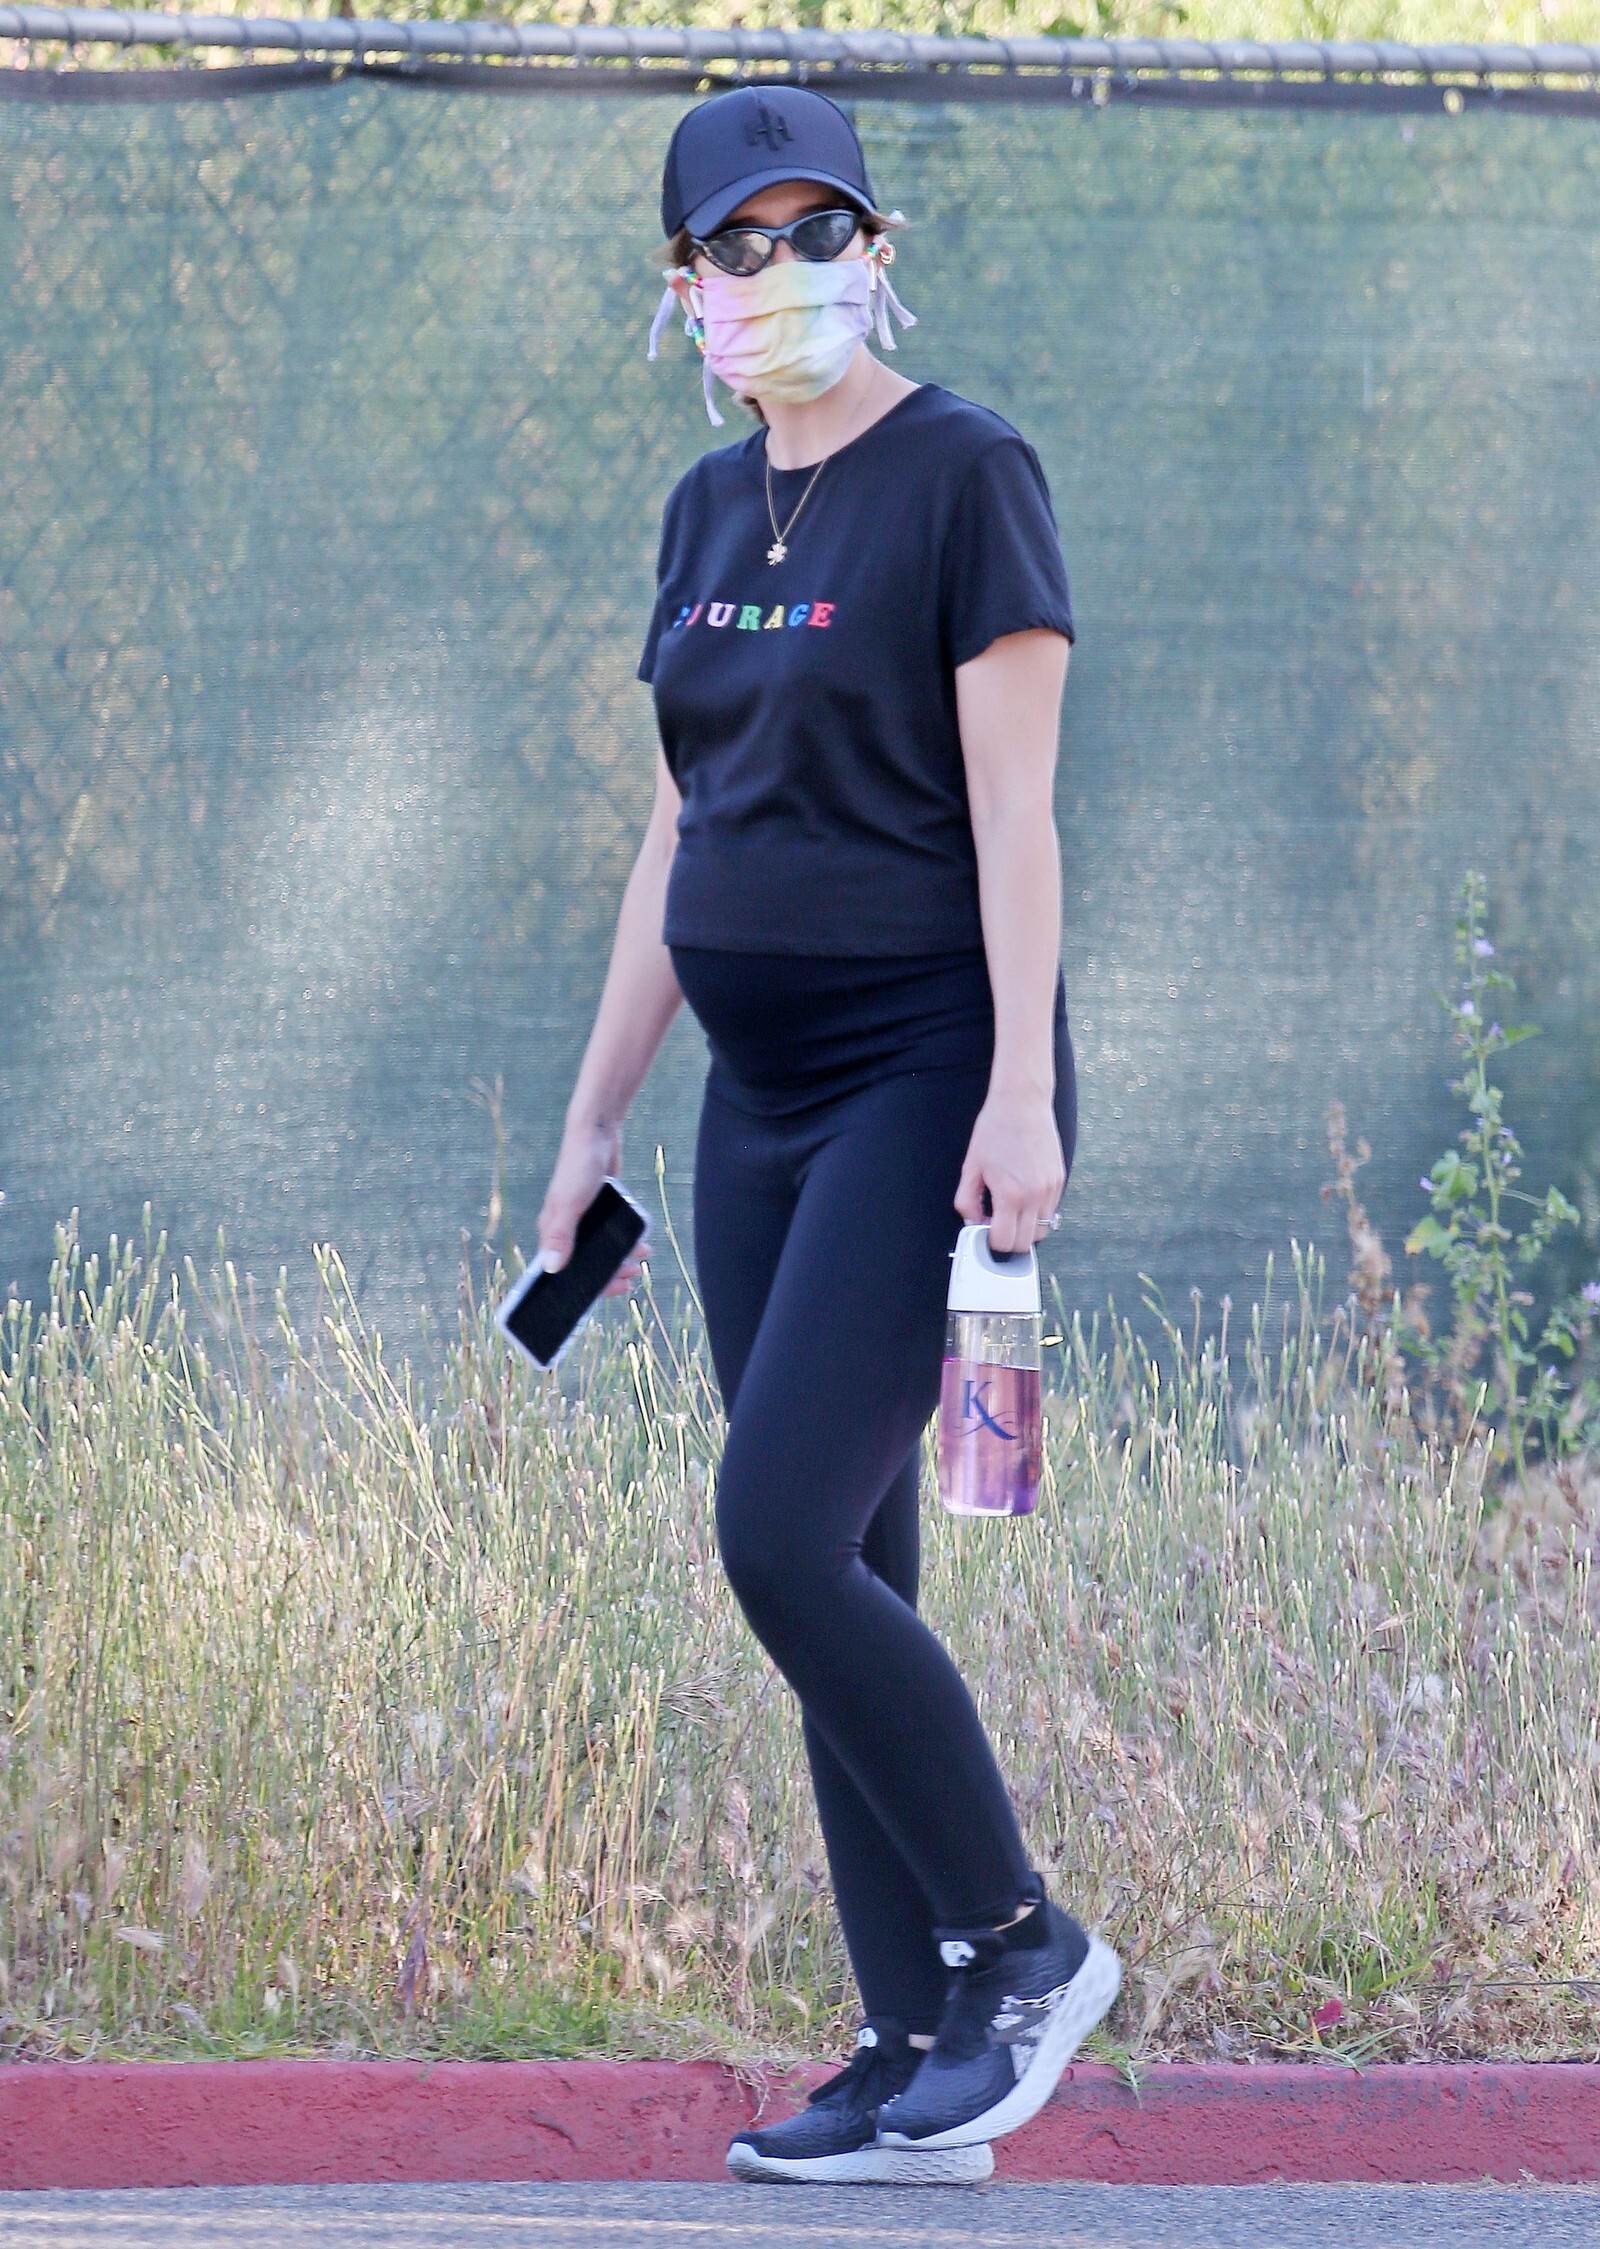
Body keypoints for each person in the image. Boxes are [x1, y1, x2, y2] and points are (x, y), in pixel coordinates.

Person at [537, 83, 1120, 2186]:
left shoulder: (965, 473)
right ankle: (903, 2052)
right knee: (845, 1574)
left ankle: (1022, 1951)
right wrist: (593, 1120)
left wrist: (1020, 1088)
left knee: (774, 1535)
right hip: (754, 1104)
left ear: (876, 252)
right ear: (681, 283)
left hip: (920, 1079)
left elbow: (1017, 815)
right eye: (737, 243)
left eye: (816, 232)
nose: (779, 272)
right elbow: (676, 838)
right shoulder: (705, 517)